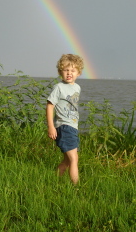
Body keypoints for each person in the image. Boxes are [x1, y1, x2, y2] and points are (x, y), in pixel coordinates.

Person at [46, 54, 84, 185]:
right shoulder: (59, 87)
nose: (69, 73)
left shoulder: (77, 88)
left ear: (78, 73)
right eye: (66, 70)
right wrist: (51, 126)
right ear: (60, 71)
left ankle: (53, 181)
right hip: (63, 126)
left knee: (67, 161)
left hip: (73, 127)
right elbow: (50, 106)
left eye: (73, 70)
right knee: (74, 159)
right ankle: (77, 188)